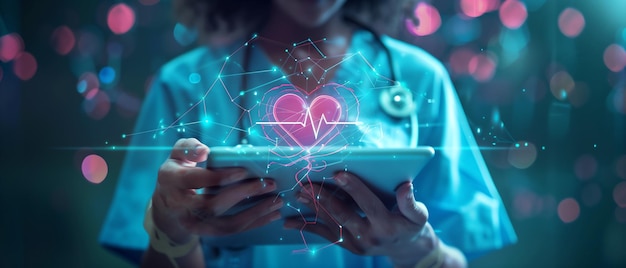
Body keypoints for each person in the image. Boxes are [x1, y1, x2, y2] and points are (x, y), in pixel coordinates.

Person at [99, 0, 517, 267]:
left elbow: (458, 252)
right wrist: (171, 229)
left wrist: (414, 248)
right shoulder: (185, 85)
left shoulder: (422, 80)